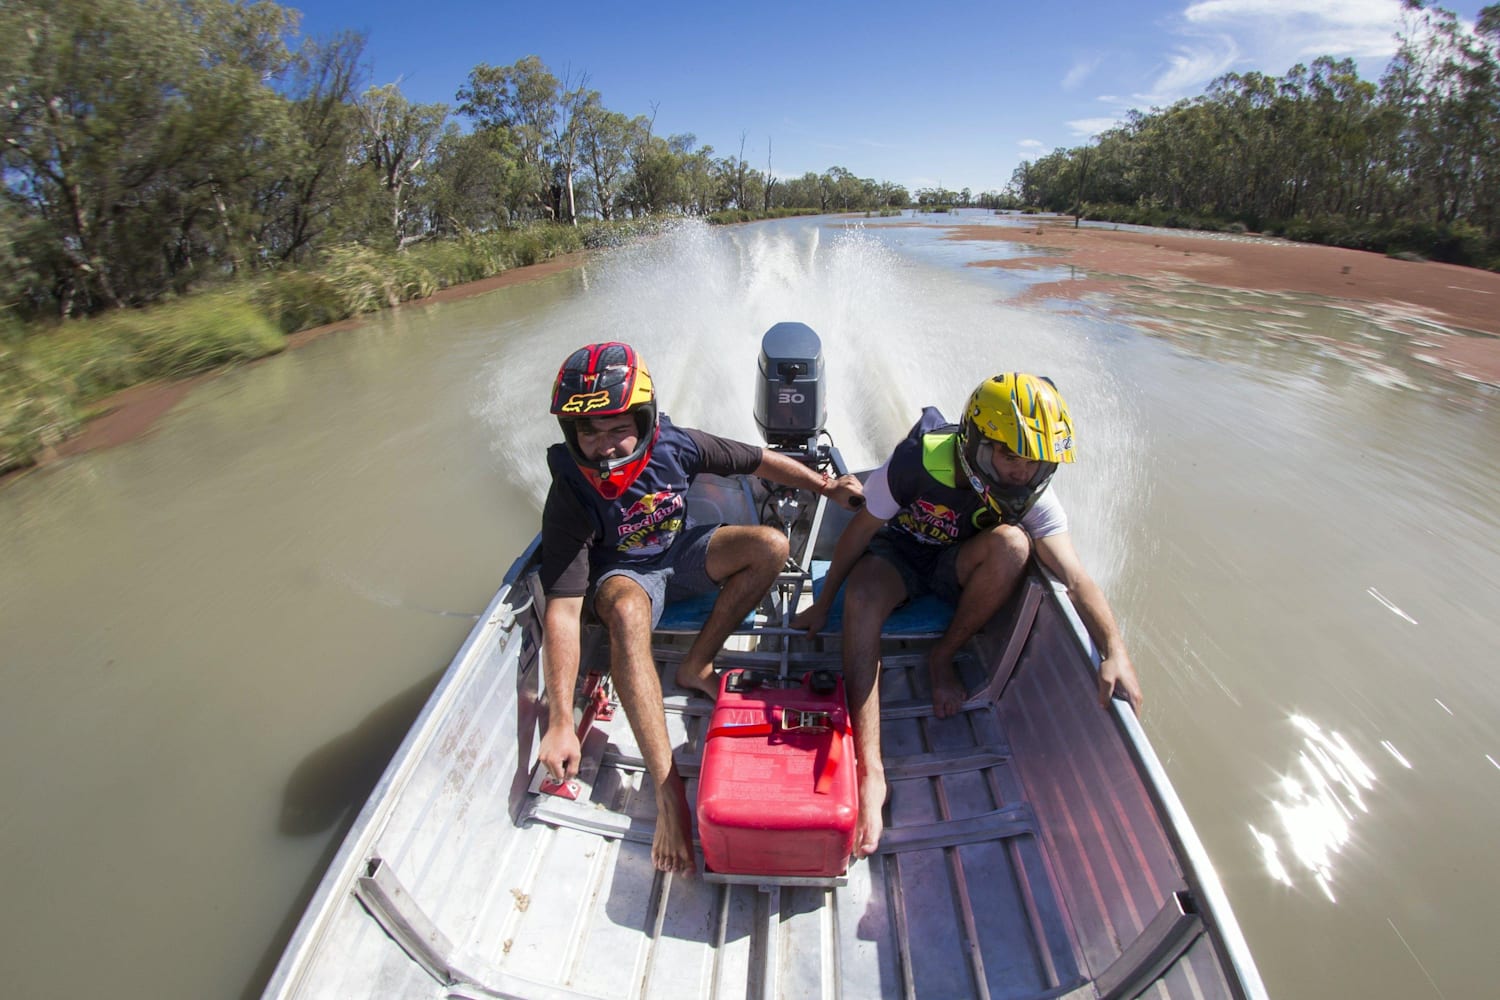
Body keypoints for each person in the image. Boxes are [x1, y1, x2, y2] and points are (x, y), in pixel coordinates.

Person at [537, 341, 863, 873]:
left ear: (643, 418)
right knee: (624, 612)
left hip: (681, 556)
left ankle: (696, 665)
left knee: (772, 546)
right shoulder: (571, 492)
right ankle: (668, 794)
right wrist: (558, 720)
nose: (604, 447)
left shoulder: (678, 446)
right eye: (588, 433)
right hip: (625, 580)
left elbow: (759, 460)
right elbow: (564, 610)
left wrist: (827, 487)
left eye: (617, 426)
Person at [792, 372, 1143, 860]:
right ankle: (871, 769)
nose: (1021, 473)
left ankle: (943, 658)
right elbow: (858, 532)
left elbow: (1076, 578)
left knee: (1014, 544)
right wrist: (824, 602)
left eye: (1034, 462)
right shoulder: (917, 460)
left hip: (957, 565)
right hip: (899, 554)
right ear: (978, 442)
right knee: (863, 597)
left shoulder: (1033, 494)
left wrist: (1114, 649)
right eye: (1009, 456)